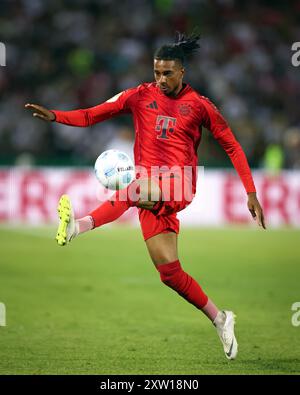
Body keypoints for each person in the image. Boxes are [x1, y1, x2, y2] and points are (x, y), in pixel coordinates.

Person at [25, 31, 266, 360]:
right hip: (148, 188)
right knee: (169, 272)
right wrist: (57, 117)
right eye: (156, 72)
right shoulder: (138, 96)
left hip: (179, 183)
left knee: (133, 188)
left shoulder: (199, 106)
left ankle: (76, 227)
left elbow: (232, 146)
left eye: (167, 73)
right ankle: (220, 318)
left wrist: (250, 192)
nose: (161, 79)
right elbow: (92, 114)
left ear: (182, 71)